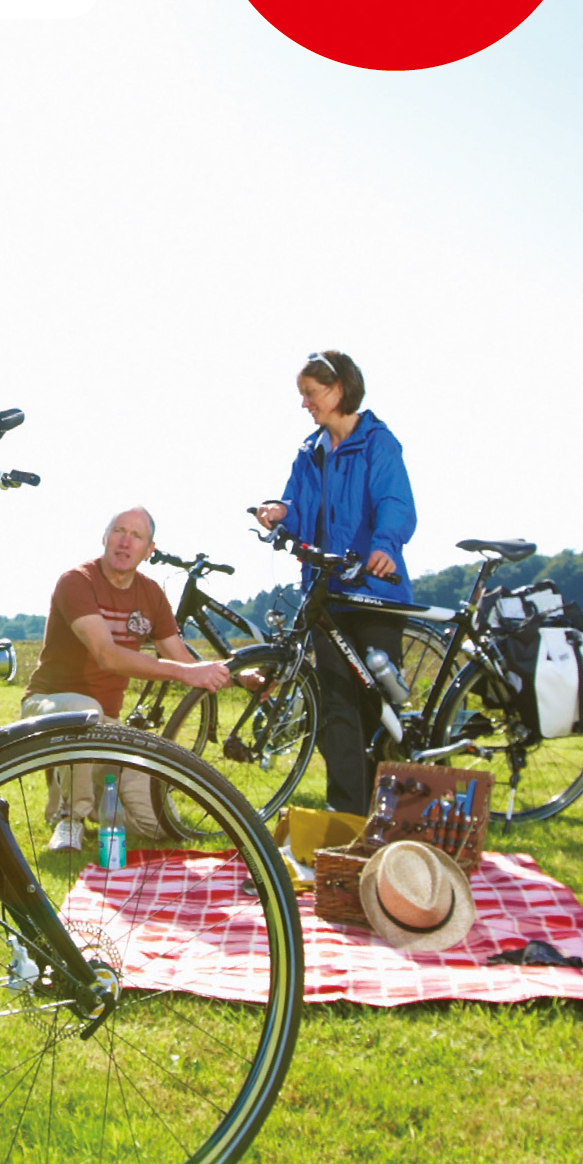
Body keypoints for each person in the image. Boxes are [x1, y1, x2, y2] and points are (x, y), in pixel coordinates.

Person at [255, 349, 416, 815]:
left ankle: (388, 815)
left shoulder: (377, 443)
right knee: (336, 710)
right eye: (303, 394)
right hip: (327, 594)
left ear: (340, 389)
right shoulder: (310, 452)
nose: (305, 403)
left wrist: (385, 545)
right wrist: (281, 512)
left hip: (374, 590)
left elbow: (395, 502)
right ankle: (347, 815)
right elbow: (298, 506)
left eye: (311, 393)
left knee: (376, 710)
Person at [21, 507, 232, 850]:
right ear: (105, 537)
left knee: (160, 824)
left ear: (149, 550)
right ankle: (70, 817)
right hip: (49, 708)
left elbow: (183, 659)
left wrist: (242, 678)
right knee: (84, 710)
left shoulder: (151, 594)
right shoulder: (77, 581)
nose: (125, 541)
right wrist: (184, 673)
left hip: (107, 724)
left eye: (136, 536)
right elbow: (106, 654)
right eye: (119, 531)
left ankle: (85, 797)